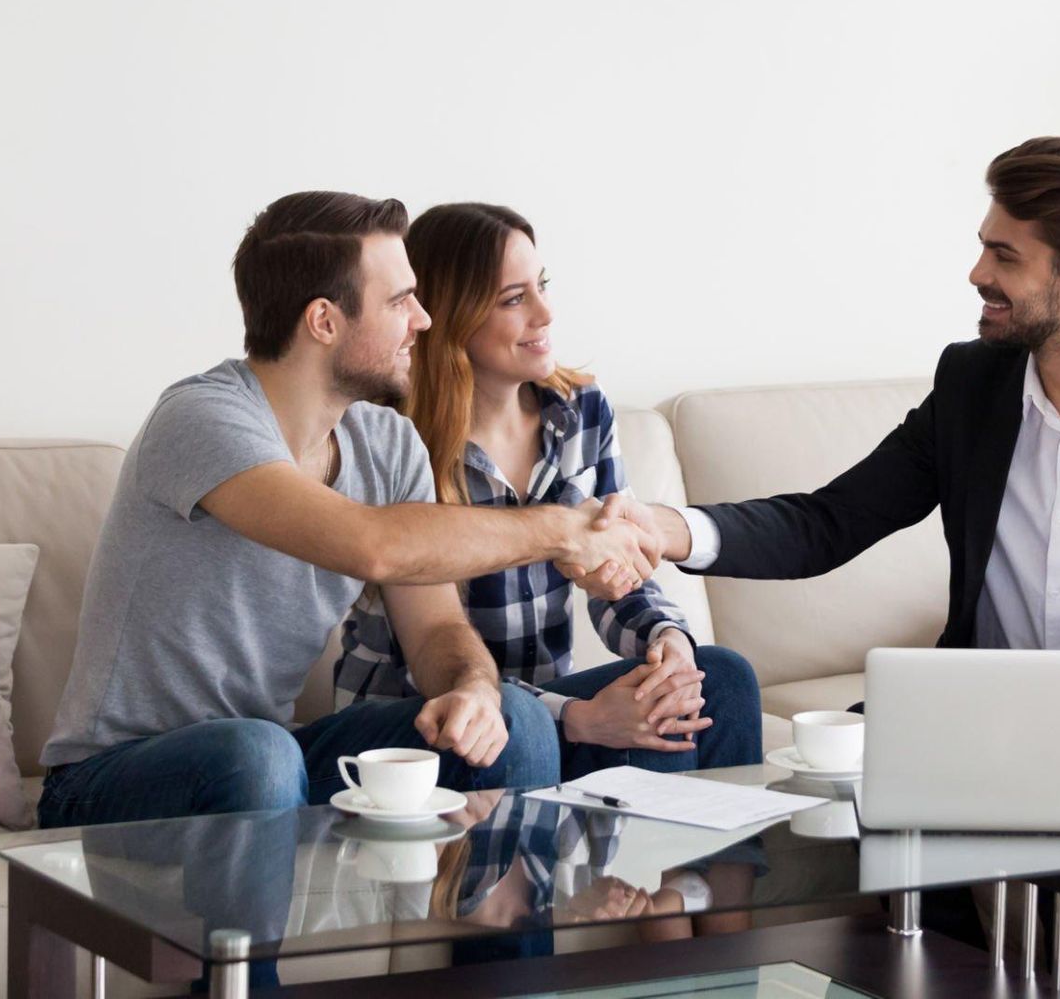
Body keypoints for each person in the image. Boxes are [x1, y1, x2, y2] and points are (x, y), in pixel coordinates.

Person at [615, 138, 1060, 839]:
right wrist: (666, 528)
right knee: (835, 777)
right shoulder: (972, 386)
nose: (976, 272)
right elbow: (829, 522)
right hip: (976, 716)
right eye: (984, 246)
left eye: (1005, 256)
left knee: (1053, 773)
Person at [39, 191, 663, 837]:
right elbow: (372, 545)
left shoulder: (387, 443)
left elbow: (434, 631)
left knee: (515, 718)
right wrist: (564, 529)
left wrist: (472, 685)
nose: (423, 321)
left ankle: (510, 939)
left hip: (273, 758)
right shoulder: (203, 419)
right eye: (399, 302)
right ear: (324, 322)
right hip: (110, 778)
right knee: (257, 753)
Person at [336, 202, 762, 784]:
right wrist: (578, 717)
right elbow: (429, 652)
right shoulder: (392, 439)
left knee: (720, 681)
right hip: (428, 719)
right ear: (451, 316)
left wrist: (666, 645)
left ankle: (698, 880)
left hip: (542, 704)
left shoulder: (581, 412)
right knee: (554, 721)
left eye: (542, 286)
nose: (546, 312)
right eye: (514, 299)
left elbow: (621, 578)